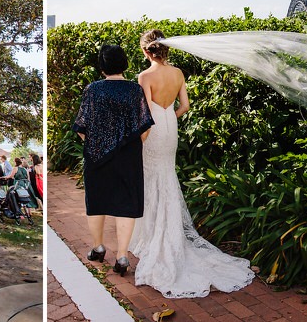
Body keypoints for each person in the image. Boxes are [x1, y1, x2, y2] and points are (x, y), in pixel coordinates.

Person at [129, 30, 254, 297]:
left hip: (152, 130)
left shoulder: (144, 77)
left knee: (151, 177)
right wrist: (169, 116)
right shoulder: (178, 73)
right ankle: (170, 234)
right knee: (166, 175)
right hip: (170, 127)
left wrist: (140, 137)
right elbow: (184, 105)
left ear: (145, 51)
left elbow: (144, 113)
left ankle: (150, 237)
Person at [73, 44, 154, 276]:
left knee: (96, 202)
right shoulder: (134, 90)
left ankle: (98, 248)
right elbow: (144, 127)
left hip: (96, 156)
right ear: (124, 63)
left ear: (102, 65)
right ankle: (122, 257)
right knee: (126, 205)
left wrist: (98, 143)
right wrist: (128, 148)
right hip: (128, 157)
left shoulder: (93, 89)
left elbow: (81, 126)